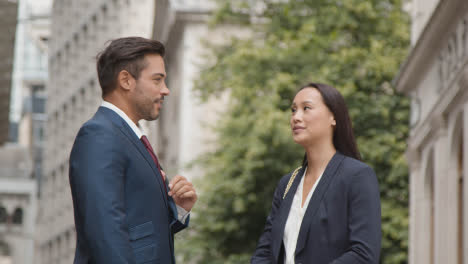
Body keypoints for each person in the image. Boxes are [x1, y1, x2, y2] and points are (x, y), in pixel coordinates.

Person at [69, 37, 197, 264]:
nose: (165, 90)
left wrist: (179, 209)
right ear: (126, 80)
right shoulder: (99, 135)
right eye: (157, 80)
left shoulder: (131, 138)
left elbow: (143, 232)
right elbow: (105, 232)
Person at [251, 83, 381, 264]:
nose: (296, 117)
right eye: (293, 110)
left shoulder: (357, 176)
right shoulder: (287, 184)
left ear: (333, 117)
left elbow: (363, 254)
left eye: (306, 108)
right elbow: (264, 253)